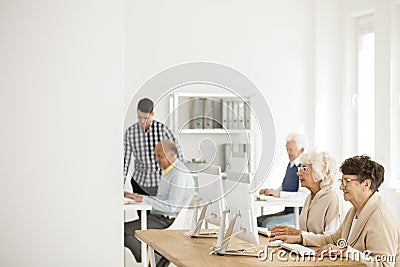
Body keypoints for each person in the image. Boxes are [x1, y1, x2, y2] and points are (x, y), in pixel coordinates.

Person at [271, 155, 400, 266]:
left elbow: (384, 264)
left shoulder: (381, 218)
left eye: (347, 181)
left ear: (366, 184)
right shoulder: (354, 211)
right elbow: (333, 240)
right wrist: (300, 238)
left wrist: (345, 252)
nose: (341, 186)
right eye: (341, 181)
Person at [124, 139, 195, 266]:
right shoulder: (170, 171)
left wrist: (143, 199)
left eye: (159, 156)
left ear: (172, 154)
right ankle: (154, 256)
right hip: (159, 216)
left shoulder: (179, 175)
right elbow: (162, 199)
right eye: (156, 155)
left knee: (124, 231)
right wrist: (137, 197)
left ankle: (156, 257)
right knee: (125, 229)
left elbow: (171, 207)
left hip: (166, 220)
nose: (156, 159)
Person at [269, 151, 345, 237]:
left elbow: (331, 239)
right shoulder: (310, 197)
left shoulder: (332, 199)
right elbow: (306, 233)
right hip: (306, 249)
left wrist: (297, 233)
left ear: (319, 174)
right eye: (299, 169)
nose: (298, 173)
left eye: (304, 169)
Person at [124, 98, 182, 196]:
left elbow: (177, 154)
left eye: (145, 118)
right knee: (142, 211)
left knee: (158, 211)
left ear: (152, 114)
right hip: (139, 183)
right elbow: (125, 161)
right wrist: (119, 186)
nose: (142, 121)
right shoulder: (130, 132)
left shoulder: (162, 130)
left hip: (159, 182)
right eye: (139, 117)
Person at [257, 132, 308, 227]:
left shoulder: (304, 168)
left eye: (291, 149)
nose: (288, 152)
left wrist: (279, 194)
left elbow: (303, 196)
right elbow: (285, 186)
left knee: (267, 224)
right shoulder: (291, 165)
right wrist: (272, 191)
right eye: (287, 149)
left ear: (301, 150)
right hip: (288, 211)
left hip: (298, 214)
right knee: (258, 220)